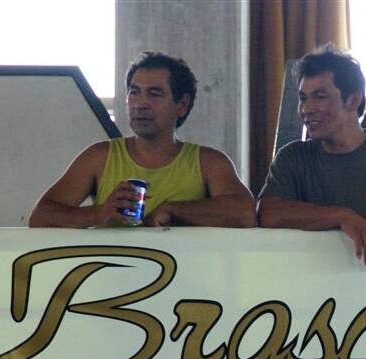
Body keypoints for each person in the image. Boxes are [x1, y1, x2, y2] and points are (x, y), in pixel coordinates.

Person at [29, 51, 254, 229]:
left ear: (182, 105)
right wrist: (99, 213)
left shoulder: (208, 162)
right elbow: (40, 217)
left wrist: (174, 210)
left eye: (154, 94)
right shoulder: (99, 157)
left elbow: (245, 213)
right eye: (134, 92)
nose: (140, 104)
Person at [256, 45, 366, 265]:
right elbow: (268, 212)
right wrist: (341, 217)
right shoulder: (292, 157)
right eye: (303, 98)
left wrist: (350, 221)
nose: (306, 109)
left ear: (353, 100)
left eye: (320, 97)